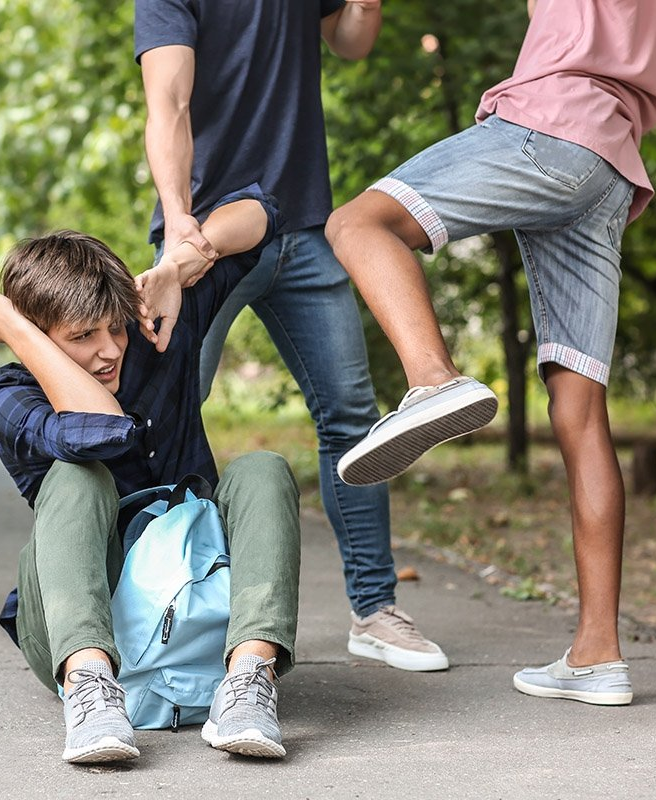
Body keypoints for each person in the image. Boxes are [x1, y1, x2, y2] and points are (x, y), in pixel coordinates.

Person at [325, 0, 656, 704]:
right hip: (611, 163)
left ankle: (434, 379)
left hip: (550, 127)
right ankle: (597, 655)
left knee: (359, 223)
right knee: (581, 414)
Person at [135, 0, 450, 673]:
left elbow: (352, 41)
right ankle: (153, 609)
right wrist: (178, 220)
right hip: (206, 238)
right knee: (164, 423)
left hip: (304, 227)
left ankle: (375, 610)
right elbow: (168, 100)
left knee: (353, 419)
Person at [0, 188, 301, 764]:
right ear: (39, 338)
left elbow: (266, 213)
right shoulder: (8, 396)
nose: (108, 351)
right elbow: (103, 429)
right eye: (81, 337)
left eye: (112, 328)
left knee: (263, 469)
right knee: (75, 477)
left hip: (199, 600)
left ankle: (249, 681)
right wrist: (20, 332)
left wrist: (174, 266)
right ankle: (92, 693)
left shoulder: (153, 330)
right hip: (84, 631)